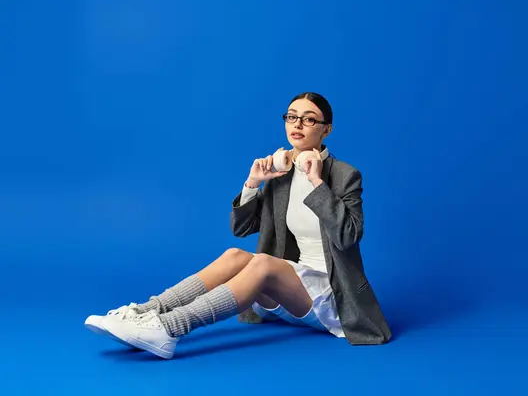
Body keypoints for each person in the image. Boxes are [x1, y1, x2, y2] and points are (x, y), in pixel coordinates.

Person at [84, 92, 392, 359]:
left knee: (264, 265)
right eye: (292, 117)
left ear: (327, 129)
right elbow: (243, 229)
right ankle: (147, 312)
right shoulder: (281, 172)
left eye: (309, 119)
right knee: (235, 254)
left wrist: (315, 183)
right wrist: (252, 184)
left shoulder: (344, 175)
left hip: (331, 296)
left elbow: (348, 235)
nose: (297, 124)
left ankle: (168, 329)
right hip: (292, 290)